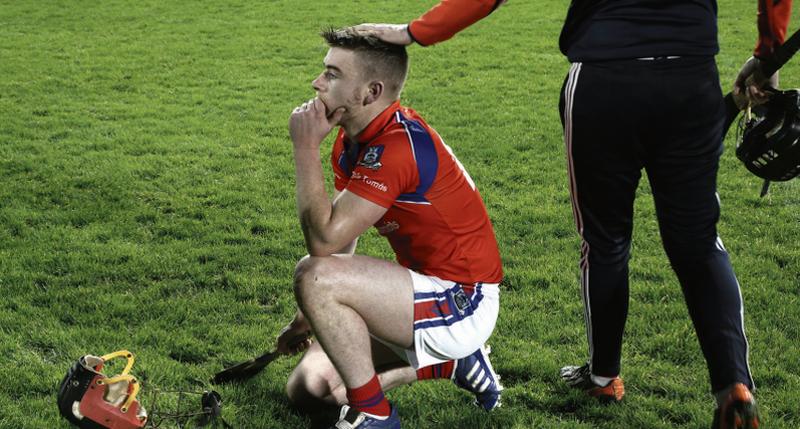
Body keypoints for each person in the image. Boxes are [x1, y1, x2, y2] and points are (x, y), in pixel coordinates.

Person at [353, 1, 793, 427]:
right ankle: (733, 385)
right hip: (689, 75)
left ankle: (603, 377)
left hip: (604, 78)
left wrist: (415, 32)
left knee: (605, 241)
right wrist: (767, 54)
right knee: (698, 243)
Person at [281, 28, 504, 429]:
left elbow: (321, 240)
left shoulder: (398, 148)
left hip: (461, 299)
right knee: (309, 388)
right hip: (421, 290)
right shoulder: (354, 138)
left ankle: (375, 414)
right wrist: (303, 321)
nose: (317, 82)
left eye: (332, 74)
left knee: (313, 274)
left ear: (370, 92)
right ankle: (453, 364)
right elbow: (338, 239)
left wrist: (303, 148)